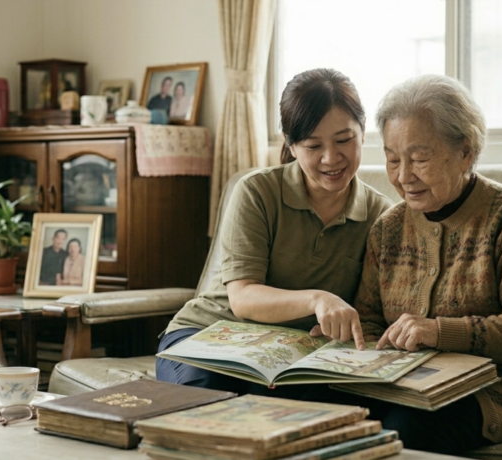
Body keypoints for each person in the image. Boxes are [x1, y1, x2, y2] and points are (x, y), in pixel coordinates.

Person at [354, 74, 502, 454]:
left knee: (407, 429)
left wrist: (439, 331)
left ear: (465, 152)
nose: (403, 176)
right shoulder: (388, 229)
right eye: (392, 159)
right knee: (336, 414)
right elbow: (369, 319)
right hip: (411, 385)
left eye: (419, 159)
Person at [157, 68, 393, 398]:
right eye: (313, 146)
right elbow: (243, 298)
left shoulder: (382, 215)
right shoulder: (257, 191)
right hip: (209, 335)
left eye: (344, 140)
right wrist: (317, 299)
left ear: (363, 132)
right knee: (208, 397)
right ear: (291, 145)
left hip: (295, 353)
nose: (331, 158)